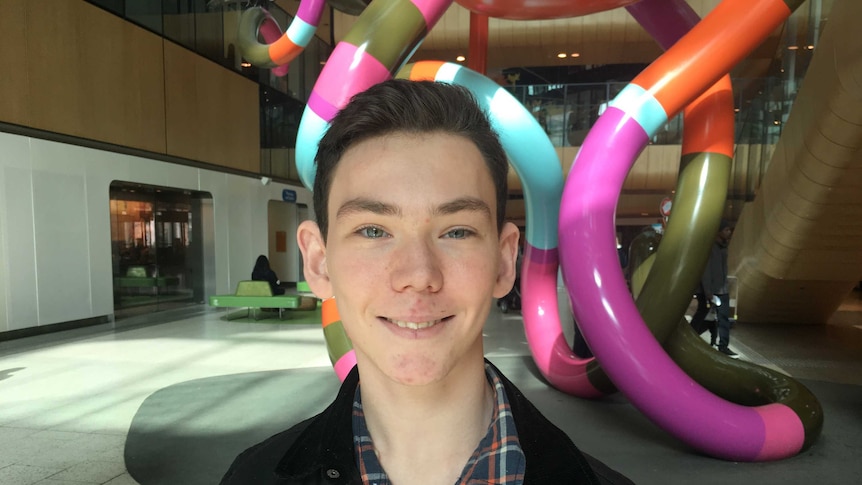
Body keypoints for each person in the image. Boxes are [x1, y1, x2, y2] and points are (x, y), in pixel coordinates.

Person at [221, 80, 633, 484]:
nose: (418, 276)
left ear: (505, 261)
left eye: (456, 232)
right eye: (373, 231)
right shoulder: (249, 477)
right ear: (318, 262)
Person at [690, 220, 737, 359]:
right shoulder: (710, 247)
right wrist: (708, 291)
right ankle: (691, 337)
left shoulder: (724, 247)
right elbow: (706, 270)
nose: (729, 232)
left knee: (723, 318)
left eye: (729, 230)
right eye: (726, 230)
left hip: (722, 288)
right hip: (709, 289)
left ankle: (723, 346)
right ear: (719, 231)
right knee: (702, 314)